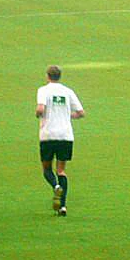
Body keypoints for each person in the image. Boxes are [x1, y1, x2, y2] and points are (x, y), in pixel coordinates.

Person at [36, 65, 84, 216]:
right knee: (61, 170)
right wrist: (67, 116)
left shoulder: (43, 90)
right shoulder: (68, 91)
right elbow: (81, 113)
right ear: (60, 76)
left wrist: (38, 115)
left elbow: (40, 109)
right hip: (65, 135)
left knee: (47, 169)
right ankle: (63, 207)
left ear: (47, 76)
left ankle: (55, 186)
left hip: (48, 135)